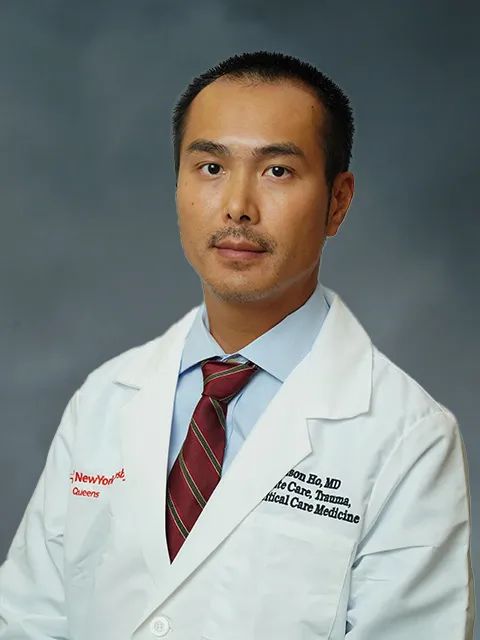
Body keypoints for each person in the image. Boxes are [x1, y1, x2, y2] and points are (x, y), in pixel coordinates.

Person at [0, 50, 474, 640]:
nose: (237, 207)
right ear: (178, 184)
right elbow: (26, 620)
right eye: (210, 167)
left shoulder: (409, 438)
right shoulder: (104, 398)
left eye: (277, 171)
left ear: (338, 201)